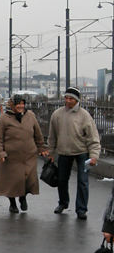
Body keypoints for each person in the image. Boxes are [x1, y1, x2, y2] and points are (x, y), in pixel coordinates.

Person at [48, 87, 101, 219]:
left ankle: (81, 209)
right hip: (63, 152)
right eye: (66, 97)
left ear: (77, 100)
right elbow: (52, 136)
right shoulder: (57, 114)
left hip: (82, 152)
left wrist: (94, 156)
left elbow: (93, 138)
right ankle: (63, 203)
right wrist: (51, 152)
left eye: (71, 98)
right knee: (61, 180)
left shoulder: (84, 115)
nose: (68, 100)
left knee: (83, 182)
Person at [0, 95, 48, 213]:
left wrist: (41, 147)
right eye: (18, 104)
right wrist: (0, 153)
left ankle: (23, 198)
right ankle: (12, 204)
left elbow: (38, 134)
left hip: (29, 156)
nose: (21, 106)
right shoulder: (3, 119)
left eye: (23, 104)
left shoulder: (30, 116)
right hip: (11, 158)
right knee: (11, 182)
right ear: (12, 105)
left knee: (28, 180)